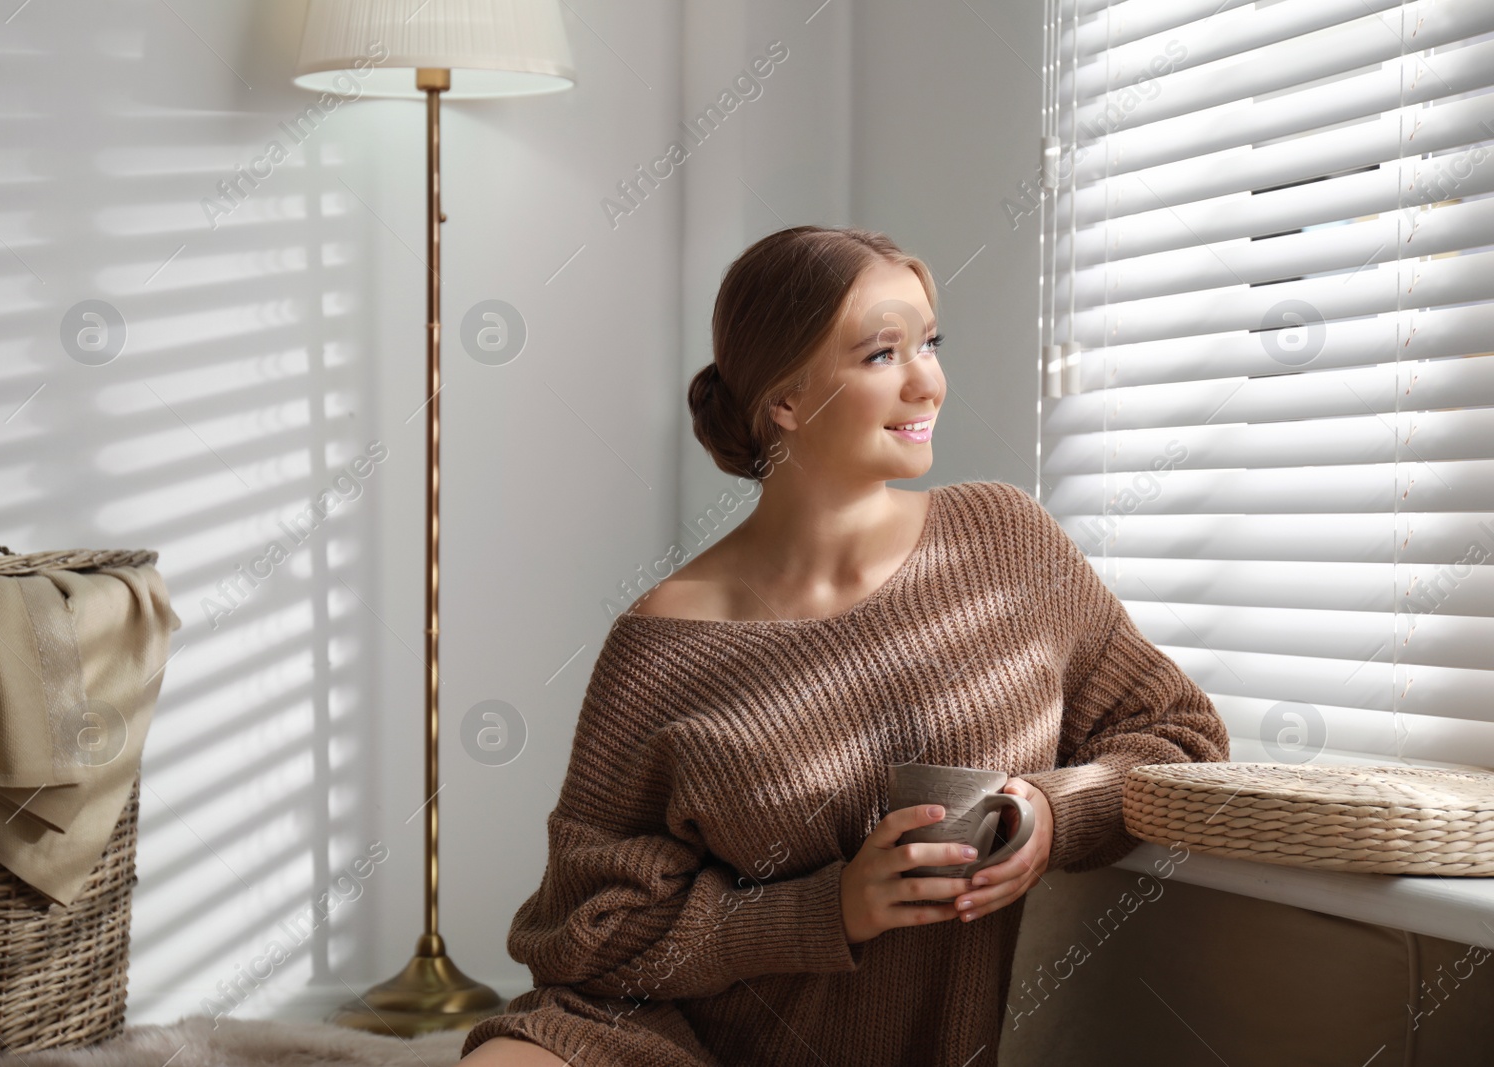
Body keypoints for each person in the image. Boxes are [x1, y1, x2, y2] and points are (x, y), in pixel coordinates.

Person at [460, 225, 1230, 1066]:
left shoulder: (1007, 544)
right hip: (661, 1042)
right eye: (881, 355)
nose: (927, 381)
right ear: (785, 400)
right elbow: (586, 933)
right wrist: (830, 909)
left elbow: (1181, 737)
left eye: (931, 343)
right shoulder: (664, 642)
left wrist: (1054, 812)